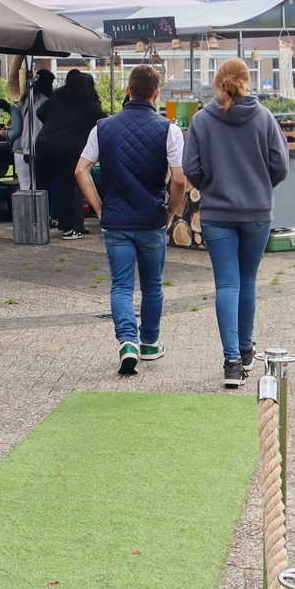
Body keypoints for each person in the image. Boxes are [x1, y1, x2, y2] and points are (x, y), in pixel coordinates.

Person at [182, 57, 290, 388]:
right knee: (248, 282)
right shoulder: (265, 118)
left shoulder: (202, 120)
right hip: (257, 213)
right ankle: (246, 350)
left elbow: (191, 168)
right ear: (248, 81)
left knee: (226, 284)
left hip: (217, 214)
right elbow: (281, 165)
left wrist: (212, 185)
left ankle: (232, 362)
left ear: (217, 81)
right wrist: (259, 186)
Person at [74, 65, 186, 375]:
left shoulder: (102, 128)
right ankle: (149, 342)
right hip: (152, 219)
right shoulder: (170, 130)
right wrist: (170, 212)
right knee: (152, 286)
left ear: (127, 90)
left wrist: (98, 207)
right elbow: (179, 180)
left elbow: (80, 170)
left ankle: (127, 342)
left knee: (121, 287)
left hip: (116, 221)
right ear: (156, 93)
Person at [33, 70, 104, 240]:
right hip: (68, 148)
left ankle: (37, 226)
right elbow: (105, 123)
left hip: (44, 143)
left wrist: (54, 125)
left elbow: (40, 112)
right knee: (69, 188)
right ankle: (70, 228)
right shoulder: (90, 106)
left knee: (42, 187)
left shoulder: (58, 97)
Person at [8, 67, 54, 192]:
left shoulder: (25, 100)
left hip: (23, 147)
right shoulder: (47, 102)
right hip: (39, 147)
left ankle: (26, 211)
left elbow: (20, 128)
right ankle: (41, 211)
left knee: (24, 185)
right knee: (40, 185)